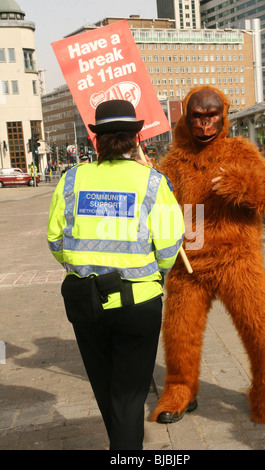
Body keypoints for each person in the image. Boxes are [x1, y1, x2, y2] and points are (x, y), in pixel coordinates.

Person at [151, 85, 265, 426]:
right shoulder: (171, 162)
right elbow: (161, 211)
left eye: (212, 116)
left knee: (260, 331)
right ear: (185, 118)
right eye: (197, 117)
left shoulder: (241, 152)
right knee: (179, 333)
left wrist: (242, 183)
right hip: (188, 264)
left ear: (224, 115)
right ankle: (180, 389)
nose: (204, 125)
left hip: (239, 261)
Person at [47, 99, 184, 450]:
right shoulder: (153, 182)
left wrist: (80, 265)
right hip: (138, 303)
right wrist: (156, 271)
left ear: (97, 140)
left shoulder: (71, 179)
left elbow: (56, 238)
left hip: (86, 301)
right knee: (128, 396)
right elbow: (170, 244)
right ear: (135, 138)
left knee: (107, 390)